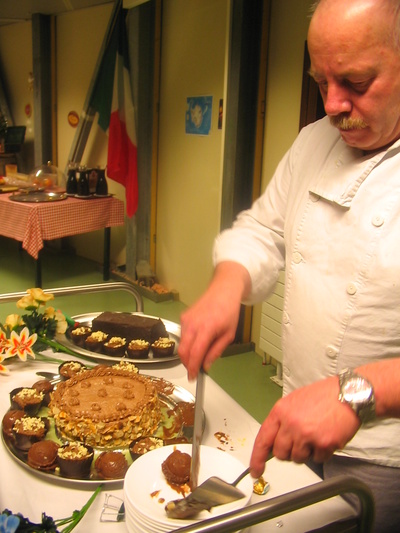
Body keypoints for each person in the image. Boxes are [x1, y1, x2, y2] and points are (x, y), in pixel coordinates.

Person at [178, 0, 400, 530]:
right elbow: (265, 228)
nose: (332, 104)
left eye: (356, 81)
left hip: (385, 453)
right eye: (320, 80)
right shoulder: (312, 141)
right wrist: (225, 286)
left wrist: (358, 393)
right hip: (297, 411)